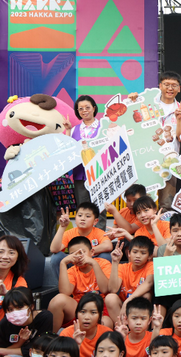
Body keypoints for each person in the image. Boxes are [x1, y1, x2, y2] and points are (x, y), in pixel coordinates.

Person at [129, 71, 181, 209]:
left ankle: (163, 223)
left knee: (167, 203)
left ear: (179, 88)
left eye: (174, 85)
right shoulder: (147, 103)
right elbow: (131, 121)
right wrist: (132, 101)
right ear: (160, 86)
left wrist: (179, 119)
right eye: (167, 84)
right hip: (146, 157)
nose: (170, 88)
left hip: (169, 160)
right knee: (142, 201)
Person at [48, 236, 112, 332]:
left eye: (82, 252)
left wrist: (94, 263)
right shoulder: (72, 270)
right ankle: (50, 336)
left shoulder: (103, 264)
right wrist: (63, 263)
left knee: (105, 323)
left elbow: (105, 289)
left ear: (92, 252)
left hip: (100, 306)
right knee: (58, 300)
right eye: (73, 254)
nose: (78, 256)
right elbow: (65, 292)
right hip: (79, 306)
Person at [68, 95, 107, 229]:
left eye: (87, 107)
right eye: (80, 109)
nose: (84, 111)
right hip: (80, 175)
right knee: (83, 209)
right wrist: (67, 131)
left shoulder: (104, 127)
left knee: (100, 207)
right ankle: (84, 237)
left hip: (100, 174)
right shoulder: (74, 129)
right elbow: (68, 150)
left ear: (94, 108)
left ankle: (100, 236)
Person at [50, 202, 112, 280]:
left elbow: (108, 246)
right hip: (74, 262)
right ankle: (64, 285)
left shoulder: (98, 232)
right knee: (56, 257)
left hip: (92, 263)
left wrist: (86, 253)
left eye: (87, 216)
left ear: (95, 221)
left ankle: (101, 285)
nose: (83, 218)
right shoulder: (69, 233)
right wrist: (62, 227)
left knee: (106, 256)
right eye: (80, 215)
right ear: (75, 219)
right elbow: (54, 249)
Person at [105, 236, 154, 323]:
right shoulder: (122, 267)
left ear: (150, 256)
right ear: (129, 253)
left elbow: (149, 283)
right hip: (123, 304)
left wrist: (128, 300)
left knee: (146, 296)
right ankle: (122, 326)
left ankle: (141, 327)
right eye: (135, 252)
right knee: (110, 298)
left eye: (143, 253)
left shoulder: (151, 265)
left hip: (138, 302)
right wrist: (115, 262)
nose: (138, 256)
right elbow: (113, 289)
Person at [0, 287, 53, 356]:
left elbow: (38, 350)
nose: (15, 312)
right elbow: (3, 351)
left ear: (31, 306)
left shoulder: (44, 318)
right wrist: (21, 342)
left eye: (19, 307)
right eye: (10, 309)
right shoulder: (5, 323)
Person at [106, 196, 170, 249]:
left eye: (146, 210)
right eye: (138, 213)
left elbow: (165, 251)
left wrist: (154, 226)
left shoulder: (167, 225)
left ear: (155, 210)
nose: (143, 215)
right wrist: (125, 233)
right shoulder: (139, 232)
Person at [59, 293, 112, 357]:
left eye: (93, 312)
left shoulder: (107, 334)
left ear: (100, 315)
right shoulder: (66, 334)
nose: (87, 317)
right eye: (83, 312)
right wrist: (76, 345)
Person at [0, 236, 28, 321]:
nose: (5, 256)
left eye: (11, 253)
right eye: (1, 252)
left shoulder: (18, 281)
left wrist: (7, 294)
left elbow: (24, 307)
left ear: (18, 257)